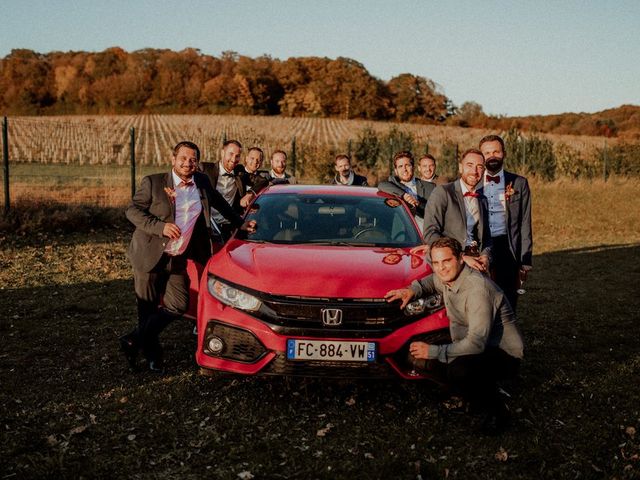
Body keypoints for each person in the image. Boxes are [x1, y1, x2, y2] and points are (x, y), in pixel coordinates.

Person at [119, 141, 256, 373]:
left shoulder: (202, 182)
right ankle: (154, 357)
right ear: (173, 159)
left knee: (179, 304)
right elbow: (132, 210)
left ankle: (132, 340)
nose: (187, 163)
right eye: (183, 158)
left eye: (193, 159)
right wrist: (159, 226)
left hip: (178, 257)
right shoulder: (153, 183)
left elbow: (221, 204)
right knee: (148, 308)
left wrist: (241, 225)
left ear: (197, 163)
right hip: (149, 253)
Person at [384, 237, 523, 434]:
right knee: (415, 356)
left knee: (458, 369)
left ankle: (495, 412)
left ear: (460, 259)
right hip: (467, 344)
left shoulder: (477, 289)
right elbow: (432, 281)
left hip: (501, 353)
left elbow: (476, 344)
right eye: (436, 263)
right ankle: (470, 394)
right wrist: (411, 290)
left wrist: (434, 351)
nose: (441, 268)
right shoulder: (446, 277)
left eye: (447, 261)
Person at [479, 135, 533, 312]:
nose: (492, 156)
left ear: (504, 154)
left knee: (508, 296)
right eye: (487, 152)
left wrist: (526, 258)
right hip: (481, 244)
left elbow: (525, 221)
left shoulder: (519, 183)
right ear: (481, 156)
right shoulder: (473, 184)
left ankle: (507, 333)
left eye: (496, 151)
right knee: (481, 294)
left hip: (508, 244)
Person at [422, 148, 491, 273]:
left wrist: (485, 256)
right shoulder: (443, 192)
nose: (474, 171)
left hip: (476, 260)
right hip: (450, 262)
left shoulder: (483, 200)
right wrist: (461, 257)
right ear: (460, 167)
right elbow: (430, 233)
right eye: (469, 165)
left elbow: (486, 236)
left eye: (479, 167)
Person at [201, 140, 257, 241]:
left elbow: (262, 180)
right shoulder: (205, 169)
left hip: (229, 228)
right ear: (222, 153)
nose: (233, 159)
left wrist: (250, 193)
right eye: (231, 154)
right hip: (206, 229)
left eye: (237, 156)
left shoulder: (240, 173)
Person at [377, 151, 435, 233]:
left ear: (413, 167)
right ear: (396, 170)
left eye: (407, 165)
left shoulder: (430, 187)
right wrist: (404, 196)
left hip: (425, 235)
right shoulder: (392, 185)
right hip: (401, 237)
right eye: (400, 166)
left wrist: (418, 203)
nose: (404, 169)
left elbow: (434, 212)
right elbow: (381, 185)